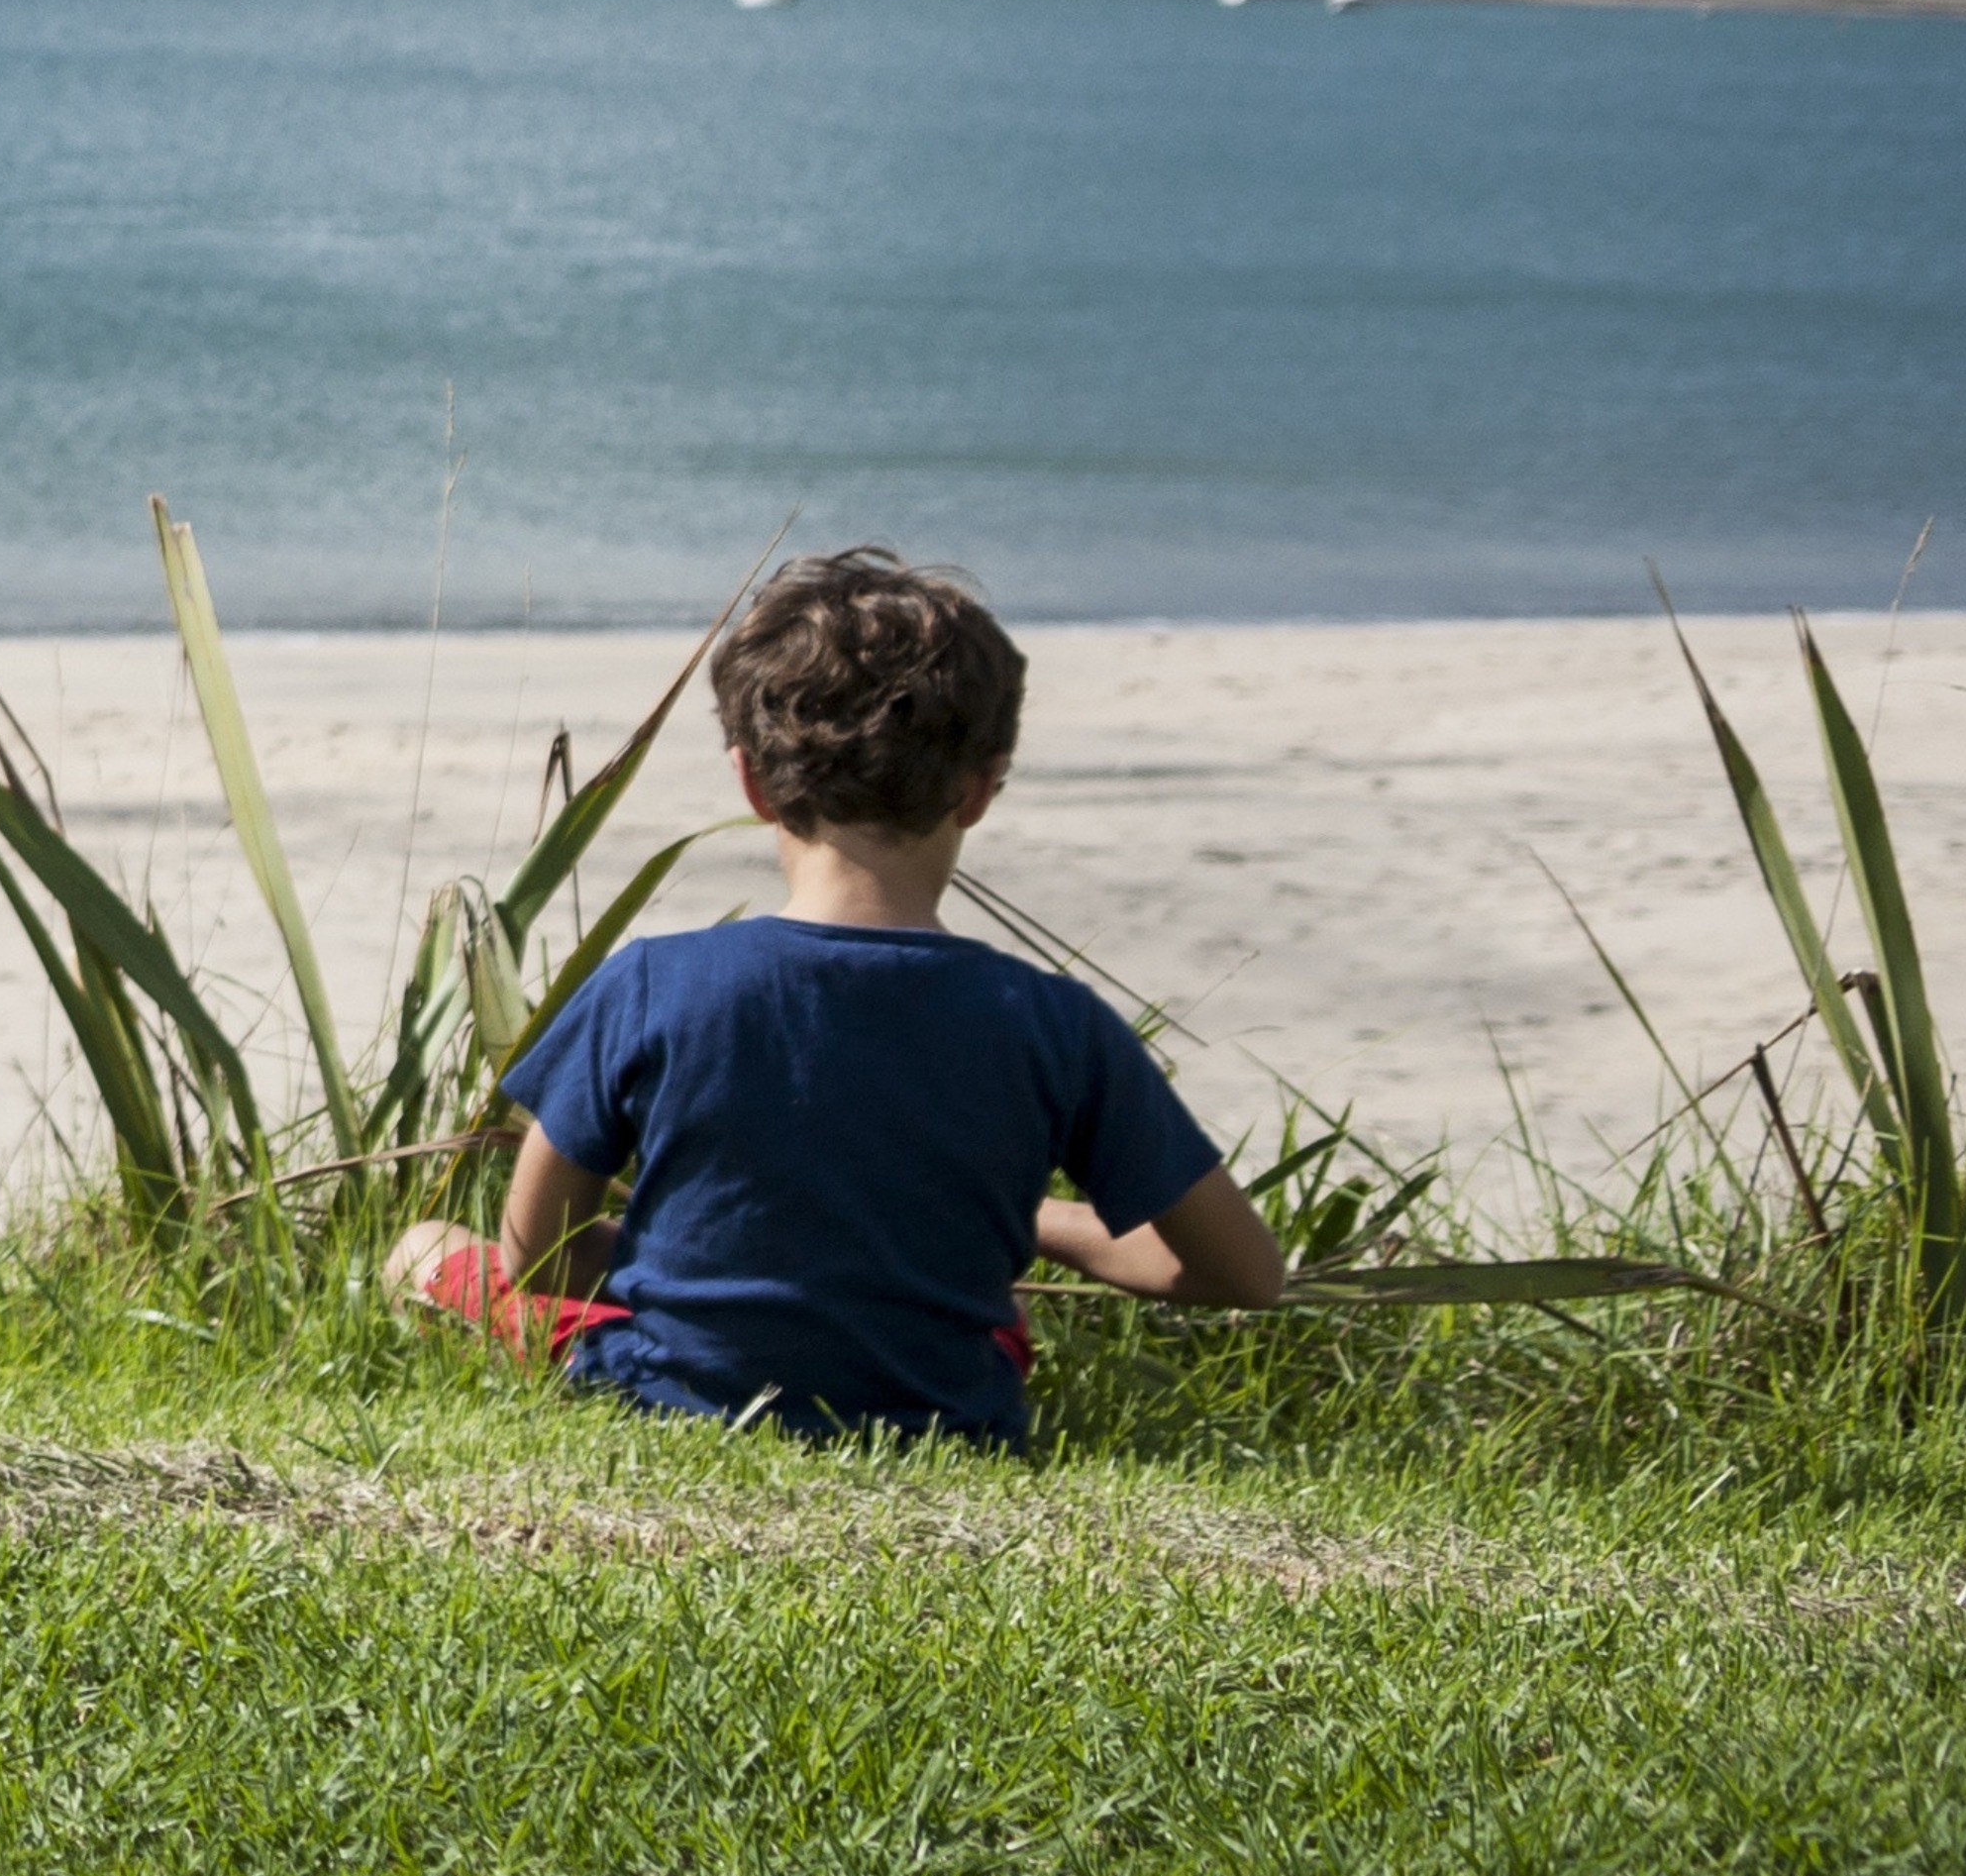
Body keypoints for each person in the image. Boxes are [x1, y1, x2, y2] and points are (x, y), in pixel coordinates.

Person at [384, 547, 1289, 1442]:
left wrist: (697, 1256)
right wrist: (1043, 1222)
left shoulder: (651, 984)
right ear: (980, 790)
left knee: (424, 1250)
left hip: (667, 1394)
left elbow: (533, 1255)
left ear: (751, 780)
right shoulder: (1058, 1026)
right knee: (981, 1298)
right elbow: (1246, 1275)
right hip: (949, 1421)